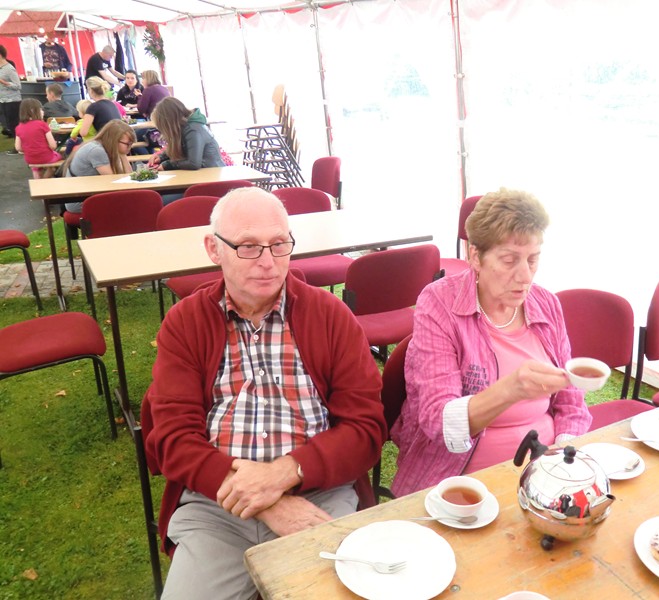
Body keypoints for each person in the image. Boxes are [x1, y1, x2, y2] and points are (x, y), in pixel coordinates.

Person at [140, 187, 386, 598]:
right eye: (249, 246)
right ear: (214, 249)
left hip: (317, 496)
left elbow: (365, 430)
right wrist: (268, 501)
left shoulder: (331, 317)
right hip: (216, 504)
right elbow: (172, 439)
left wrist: (285, 474)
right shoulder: (185, 323)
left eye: (279, 243)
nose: (268, 261)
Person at [390, 189, 592, 496]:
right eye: (509, 260)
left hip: (543, 473)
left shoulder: (546, 304)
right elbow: (437, 421)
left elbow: (571, 402)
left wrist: (561, 460)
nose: (525, 276)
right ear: (475, 256)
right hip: (460, 478)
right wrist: (510, 390)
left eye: (533, 259)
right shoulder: (439, 304)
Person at [62, 120, 135, 212]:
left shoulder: (107, 147)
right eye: (128, 144)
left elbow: (128, 177)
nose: (130, 147)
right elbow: (114, 182)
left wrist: (123, 154)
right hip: (79, 201)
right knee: (132, 203)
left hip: (89, 194)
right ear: (114, 140)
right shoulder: (97, 151)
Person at [149, 97, 224, 171]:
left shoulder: (193, 130)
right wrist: (161, 157)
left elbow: (193, 163)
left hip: (212, 174)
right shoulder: (186, 127)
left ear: (169, 123)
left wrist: (167, 165)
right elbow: (184, 146)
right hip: (205, 172)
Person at [14, 98, 62, 179]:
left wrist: (28, 149)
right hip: (46, 157)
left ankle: (37, 178)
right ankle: (43, 182)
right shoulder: (42, 125)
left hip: (30, 159)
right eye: (41, 109)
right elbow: (53, 146)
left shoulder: (18, 127)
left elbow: (18, 148)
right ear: (33, 111)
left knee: (36, 167)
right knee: (57, 159)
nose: (43, 112)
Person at [0, 44, 22, 150]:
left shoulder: (9, 69)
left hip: (13, 101)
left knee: (14, 124)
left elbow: (18, 86)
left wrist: (4, 83)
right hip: (3, 100)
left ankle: (18, 146)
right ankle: (17, 145)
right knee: (8, 124)